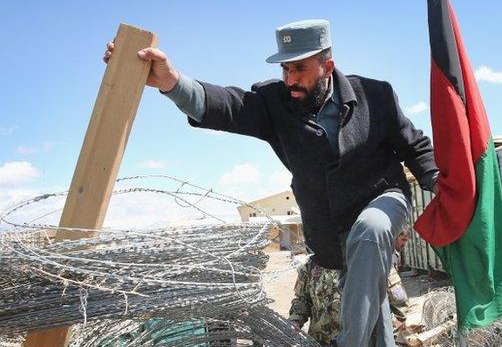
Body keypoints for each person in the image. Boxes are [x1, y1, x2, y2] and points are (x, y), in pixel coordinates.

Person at [104, 19, 438, 347]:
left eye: (300, 69)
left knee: (371, 229)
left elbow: (415, 145)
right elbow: (228, 106)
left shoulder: (376, 95)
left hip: (382, 197)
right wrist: (172, 82)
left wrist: (438, 181)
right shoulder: (276, 103)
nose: (291, 79)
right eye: (285, 70)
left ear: (327, 65)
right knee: (369, 299)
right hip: (330, 228)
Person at [288, 258, 342, 345]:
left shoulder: (360, 264)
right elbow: (303, 298)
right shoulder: (313, 263)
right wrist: (295, 320)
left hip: (350, 341)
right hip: (318, 341)